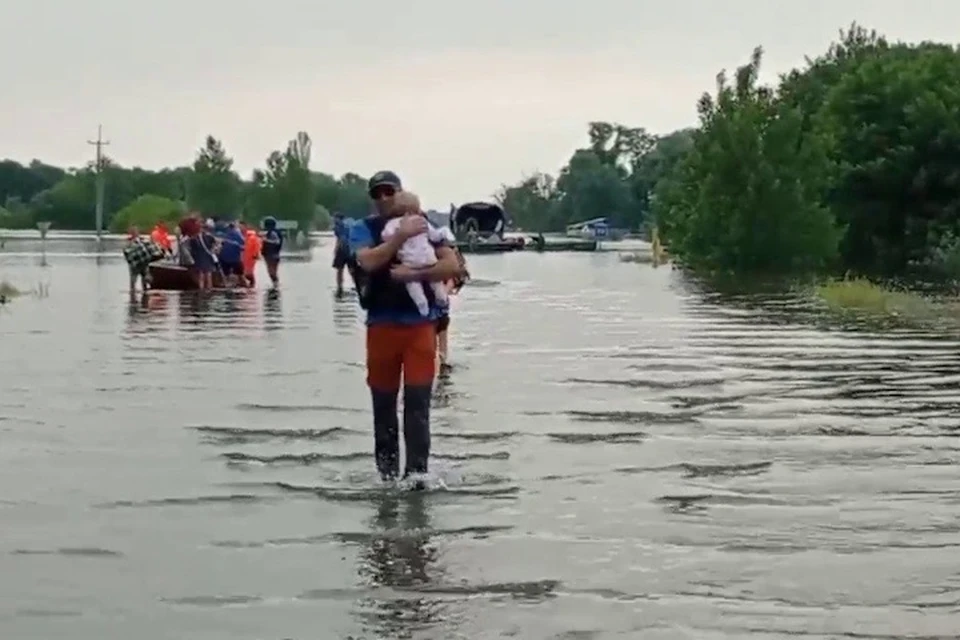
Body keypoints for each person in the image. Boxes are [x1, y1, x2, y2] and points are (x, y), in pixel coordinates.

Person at [347, 170, 464, 487]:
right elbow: (367, 262)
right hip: (381, 327)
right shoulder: (363, 229)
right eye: (377, 194)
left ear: (400, 192)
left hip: (420, 328)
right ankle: (386, 480)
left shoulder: (423, 222)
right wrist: (399, 237)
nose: (384, 198)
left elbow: (452, 265)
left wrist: (411, 274)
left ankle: (417, 478)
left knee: (418, 406)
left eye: (389, 191)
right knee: (383, 409)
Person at [381, 191, 453, 317]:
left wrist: (398, 236)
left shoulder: (393, 223)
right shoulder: (422, 221)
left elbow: (385, 237)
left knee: (412, 284)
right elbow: (434, 236)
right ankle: (441, 297)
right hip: (427, 258)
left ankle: (421, 304)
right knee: (435, 281)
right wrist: (443, 233)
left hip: (410, 260)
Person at [215, 220, 246, 286]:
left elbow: (219, 245)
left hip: (224, 258)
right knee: (240, 275)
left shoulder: (224, 235)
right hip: (235, 259)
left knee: (226, 275)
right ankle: (245, 285)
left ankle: (226, 286)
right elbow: (243, 246)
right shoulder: (238, 234)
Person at [332, 212, 352, 296]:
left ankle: (339, 287)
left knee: (339, 270)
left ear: (338, 218)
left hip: (342, 249)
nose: (333, 220)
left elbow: (339, 239)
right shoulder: (351, 223)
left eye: (334, 218)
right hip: (351, 249)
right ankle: (358, 286)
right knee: (352, 270)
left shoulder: (338, 225)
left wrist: (335, 250)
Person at [261, 217, 283, 288]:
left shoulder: (273, 232)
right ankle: (275, 285)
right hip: (273, 254)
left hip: (271, 255)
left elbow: (277, 242)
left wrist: (266, 240)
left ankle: (276, 285)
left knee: (271, 272)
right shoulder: (274, 232)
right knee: (272, 272)